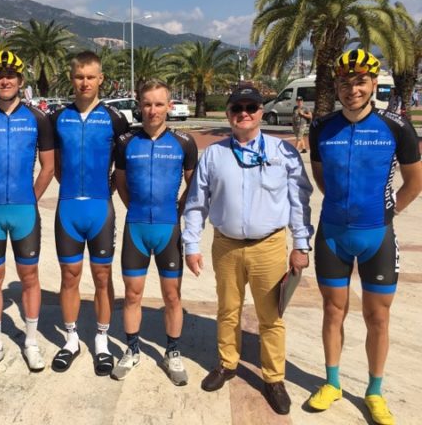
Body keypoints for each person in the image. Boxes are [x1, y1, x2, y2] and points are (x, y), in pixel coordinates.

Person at [182, 86, 313, 415]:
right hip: (226, 246)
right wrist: (191, 245)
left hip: (268, 246)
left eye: (251, 107)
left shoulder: (282, 152)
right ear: (229, 114)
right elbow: (196, 203)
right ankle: (227, 363)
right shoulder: (214, 154)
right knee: (228, 309)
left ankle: (274, 377)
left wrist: (301, 244)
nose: (244, 113)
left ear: (260, 111)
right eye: (237, 107)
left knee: (271, 317)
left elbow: (299, 200)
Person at [307, 49, 422, 425]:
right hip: (333, 234)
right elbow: (321, 177)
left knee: (378, 317)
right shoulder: (322, 127)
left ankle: (374, 391)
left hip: (378, 236)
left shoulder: (396, 127)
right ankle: (332, 383)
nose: (352, 89)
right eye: (345, 82)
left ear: (374, 84)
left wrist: (389, 212)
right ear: (336, 86)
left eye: (360, 81)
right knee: (332, 311)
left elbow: (415, 181)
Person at [0, 50, 54, 374]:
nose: (5, 81)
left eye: (10, 76)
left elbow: (48, 166)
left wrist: (30, 198)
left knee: (29, 277)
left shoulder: (38, 118)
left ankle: (30, 342)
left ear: (20, 80)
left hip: (24, 211)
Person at [111, 79, 197, 385]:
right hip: (136, 227)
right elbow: (120, 183)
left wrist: (178, 210)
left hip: (168, 229)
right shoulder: (126, 142)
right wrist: (133, 208)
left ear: (169, 106)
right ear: (139, 105)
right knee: (132, 294)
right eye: (147, 104)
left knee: (172, 295)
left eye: (159, 104)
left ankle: (172, 352)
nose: (153, 110)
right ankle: (132, 350)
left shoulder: (184, 142)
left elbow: (193, 184)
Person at [50, 51, 129, 375]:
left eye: (91, 77)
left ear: (101, 79)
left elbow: (123, 165)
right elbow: (55, 165)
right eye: (79, 77)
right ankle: (71, 339)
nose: (85, 82)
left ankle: (101, 340)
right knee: (69, 275)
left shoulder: (115, 119)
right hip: (69, 206)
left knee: (102, 276)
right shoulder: (58, 117)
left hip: (101, 208)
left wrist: (107, 188)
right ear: (72, 79)